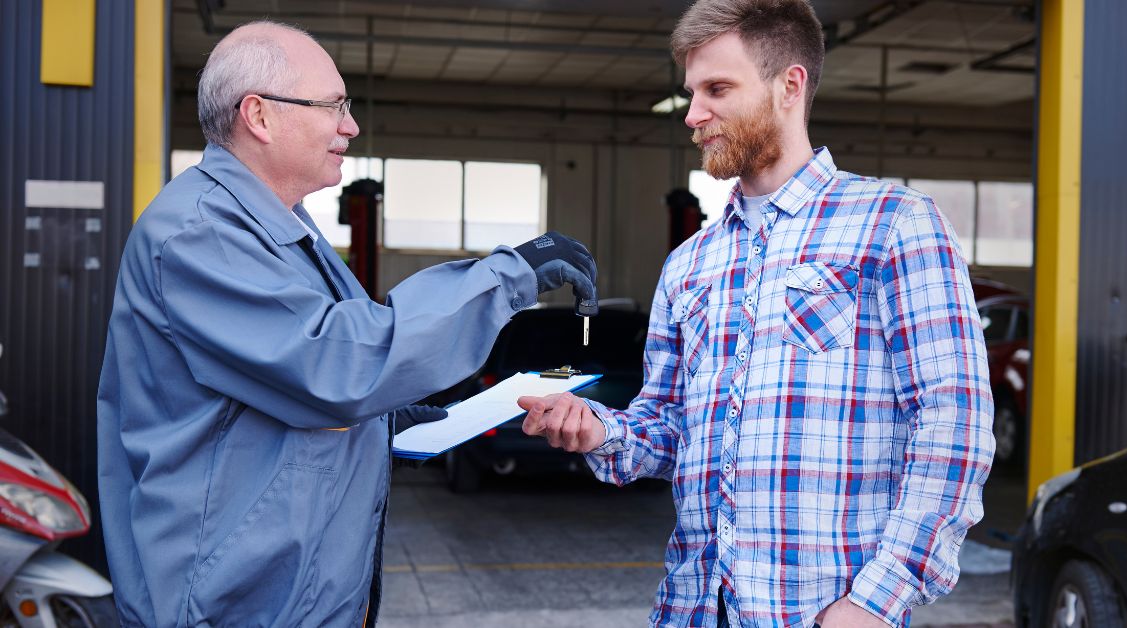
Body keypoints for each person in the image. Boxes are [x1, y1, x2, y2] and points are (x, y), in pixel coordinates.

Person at [97, 21, 597, 627]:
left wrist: (380, 420)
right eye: (332, 105)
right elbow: (339, 361)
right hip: (228, 603)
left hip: (288, 594)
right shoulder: (202, 234)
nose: (350, 126)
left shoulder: (281, 227)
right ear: (259, 115)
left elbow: (289, 372)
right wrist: (509, 275)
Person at [518, 1, 994, 626]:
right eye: (691, 92)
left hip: (823, 611)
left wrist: (879, 600)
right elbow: (667, 429)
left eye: (717, 88)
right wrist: (598, 430)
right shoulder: (690, 264)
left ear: (789, 85)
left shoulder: (892, 224)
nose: (693, 114)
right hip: (693, 607)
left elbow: (952, 419)